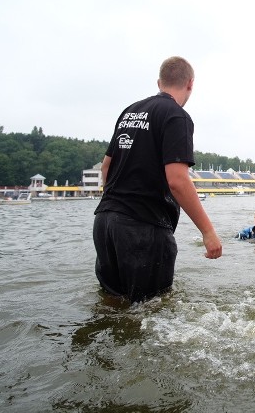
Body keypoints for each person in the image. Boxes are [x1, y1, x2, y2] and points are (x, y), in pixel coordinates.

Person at [93, 56, 222, 302]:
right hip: (143, 228)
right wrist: (208, 232)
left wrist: (116, 205)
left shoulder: (130, 111)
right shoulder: (176, 115)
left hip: (105, 223)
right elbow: (177, 180)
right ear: (190, 84)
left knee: (111, 304)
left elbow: (106, 166)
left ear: (159, 82)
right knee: (151, 311)